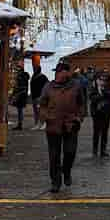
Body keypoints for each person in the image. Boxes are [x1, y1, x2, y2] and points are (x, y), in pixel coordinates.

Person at [38, 59, 85, 191]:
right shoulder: (48, 87)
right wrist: (46, 116)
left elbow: (82, 103)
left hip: (71, 124)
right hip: (53, 125)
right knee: (54, 155)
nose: (57, 74)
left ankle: (67, 171)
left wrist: (79, 118)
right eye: (57, 72)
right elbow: (42, 104)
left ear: (67, 73)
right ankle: (55, 182)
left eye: (60, 72)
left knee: (70, 152)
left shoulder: (76, 86)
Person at [91, 70, 110, 158]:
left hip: (106, 112)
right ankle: (95, 150)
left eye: (104, 79)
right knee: (96, 131)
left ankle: (103, 150)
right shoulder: (94, 86)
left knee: (105, 132)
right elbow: (92, 98)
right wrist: (100, 95)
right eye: (100, 79)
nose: (102, 81)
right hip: (96, 112)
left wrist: (104, 92)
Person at [30, 59, 48, 129]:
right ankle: (37, 124)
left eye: (35, 69)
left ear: (39, 69)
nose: (34, 70)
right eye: (34, 68)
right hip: (34, 97)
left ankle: (44, 123)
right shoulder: (33, 77)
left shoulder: (43, 77)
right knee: (36, 112)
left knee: (41, 111)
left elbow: (46, 87)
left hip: (40, 97)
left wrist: (43, 96)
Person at [12, 63, 30, 131]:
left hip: (20, 95)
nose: (15, 71)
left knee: (19, 110)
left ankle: (20, 125)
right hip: (23, 95)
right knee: (20, 110)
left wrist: (15, 93)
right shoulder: (25, 76)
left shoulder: (21, 77)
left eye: (16, 70)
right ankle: (20, 124)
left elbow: (20, 87)